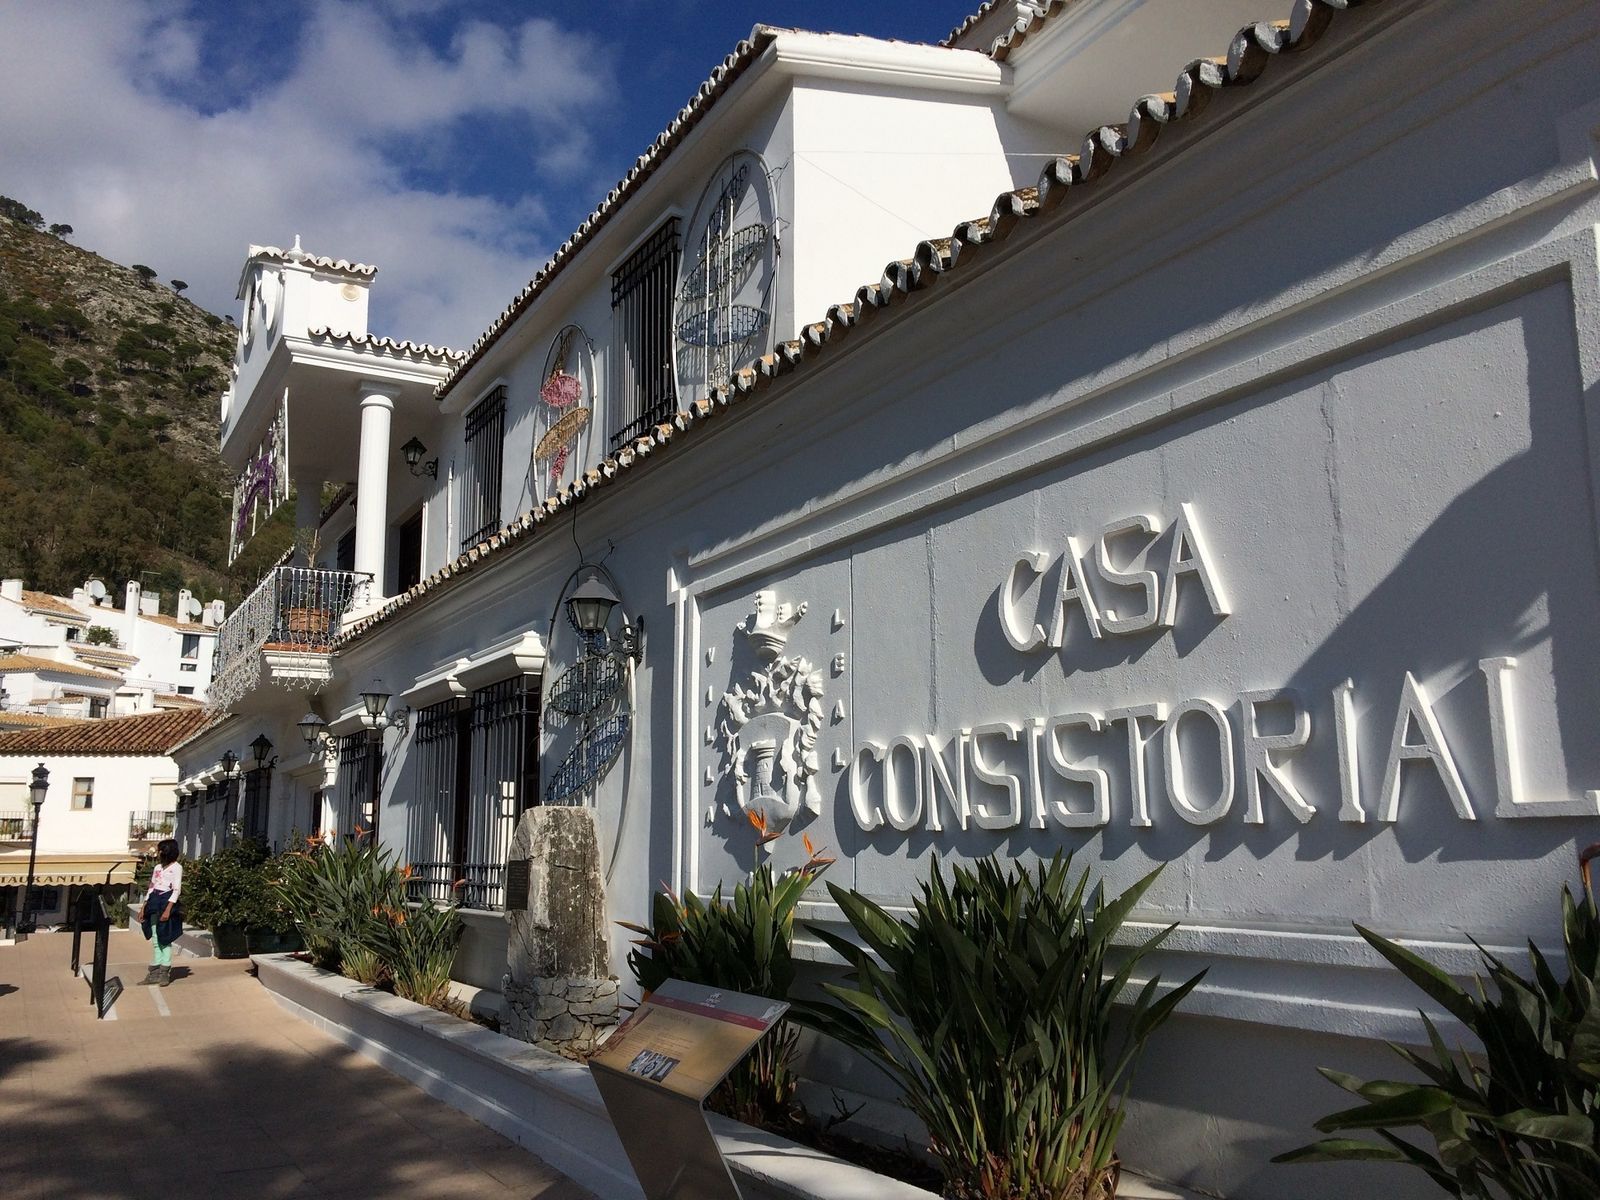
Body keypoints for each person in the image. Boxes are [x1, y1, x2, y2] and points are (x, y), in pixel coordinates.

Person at [136, 839, 183, 987]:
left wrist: (168, 909)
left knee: (164, 938)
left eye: (161, 850)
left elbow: (176, 889)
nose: (158, 853)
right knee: (155, 936)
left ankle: (164, 971)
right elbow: (152, 886)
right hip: (154, 901)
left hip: (166, 902)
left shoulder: (176, 868)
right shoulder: (157, 867)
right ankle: (154, 971)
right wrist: (144, 906)